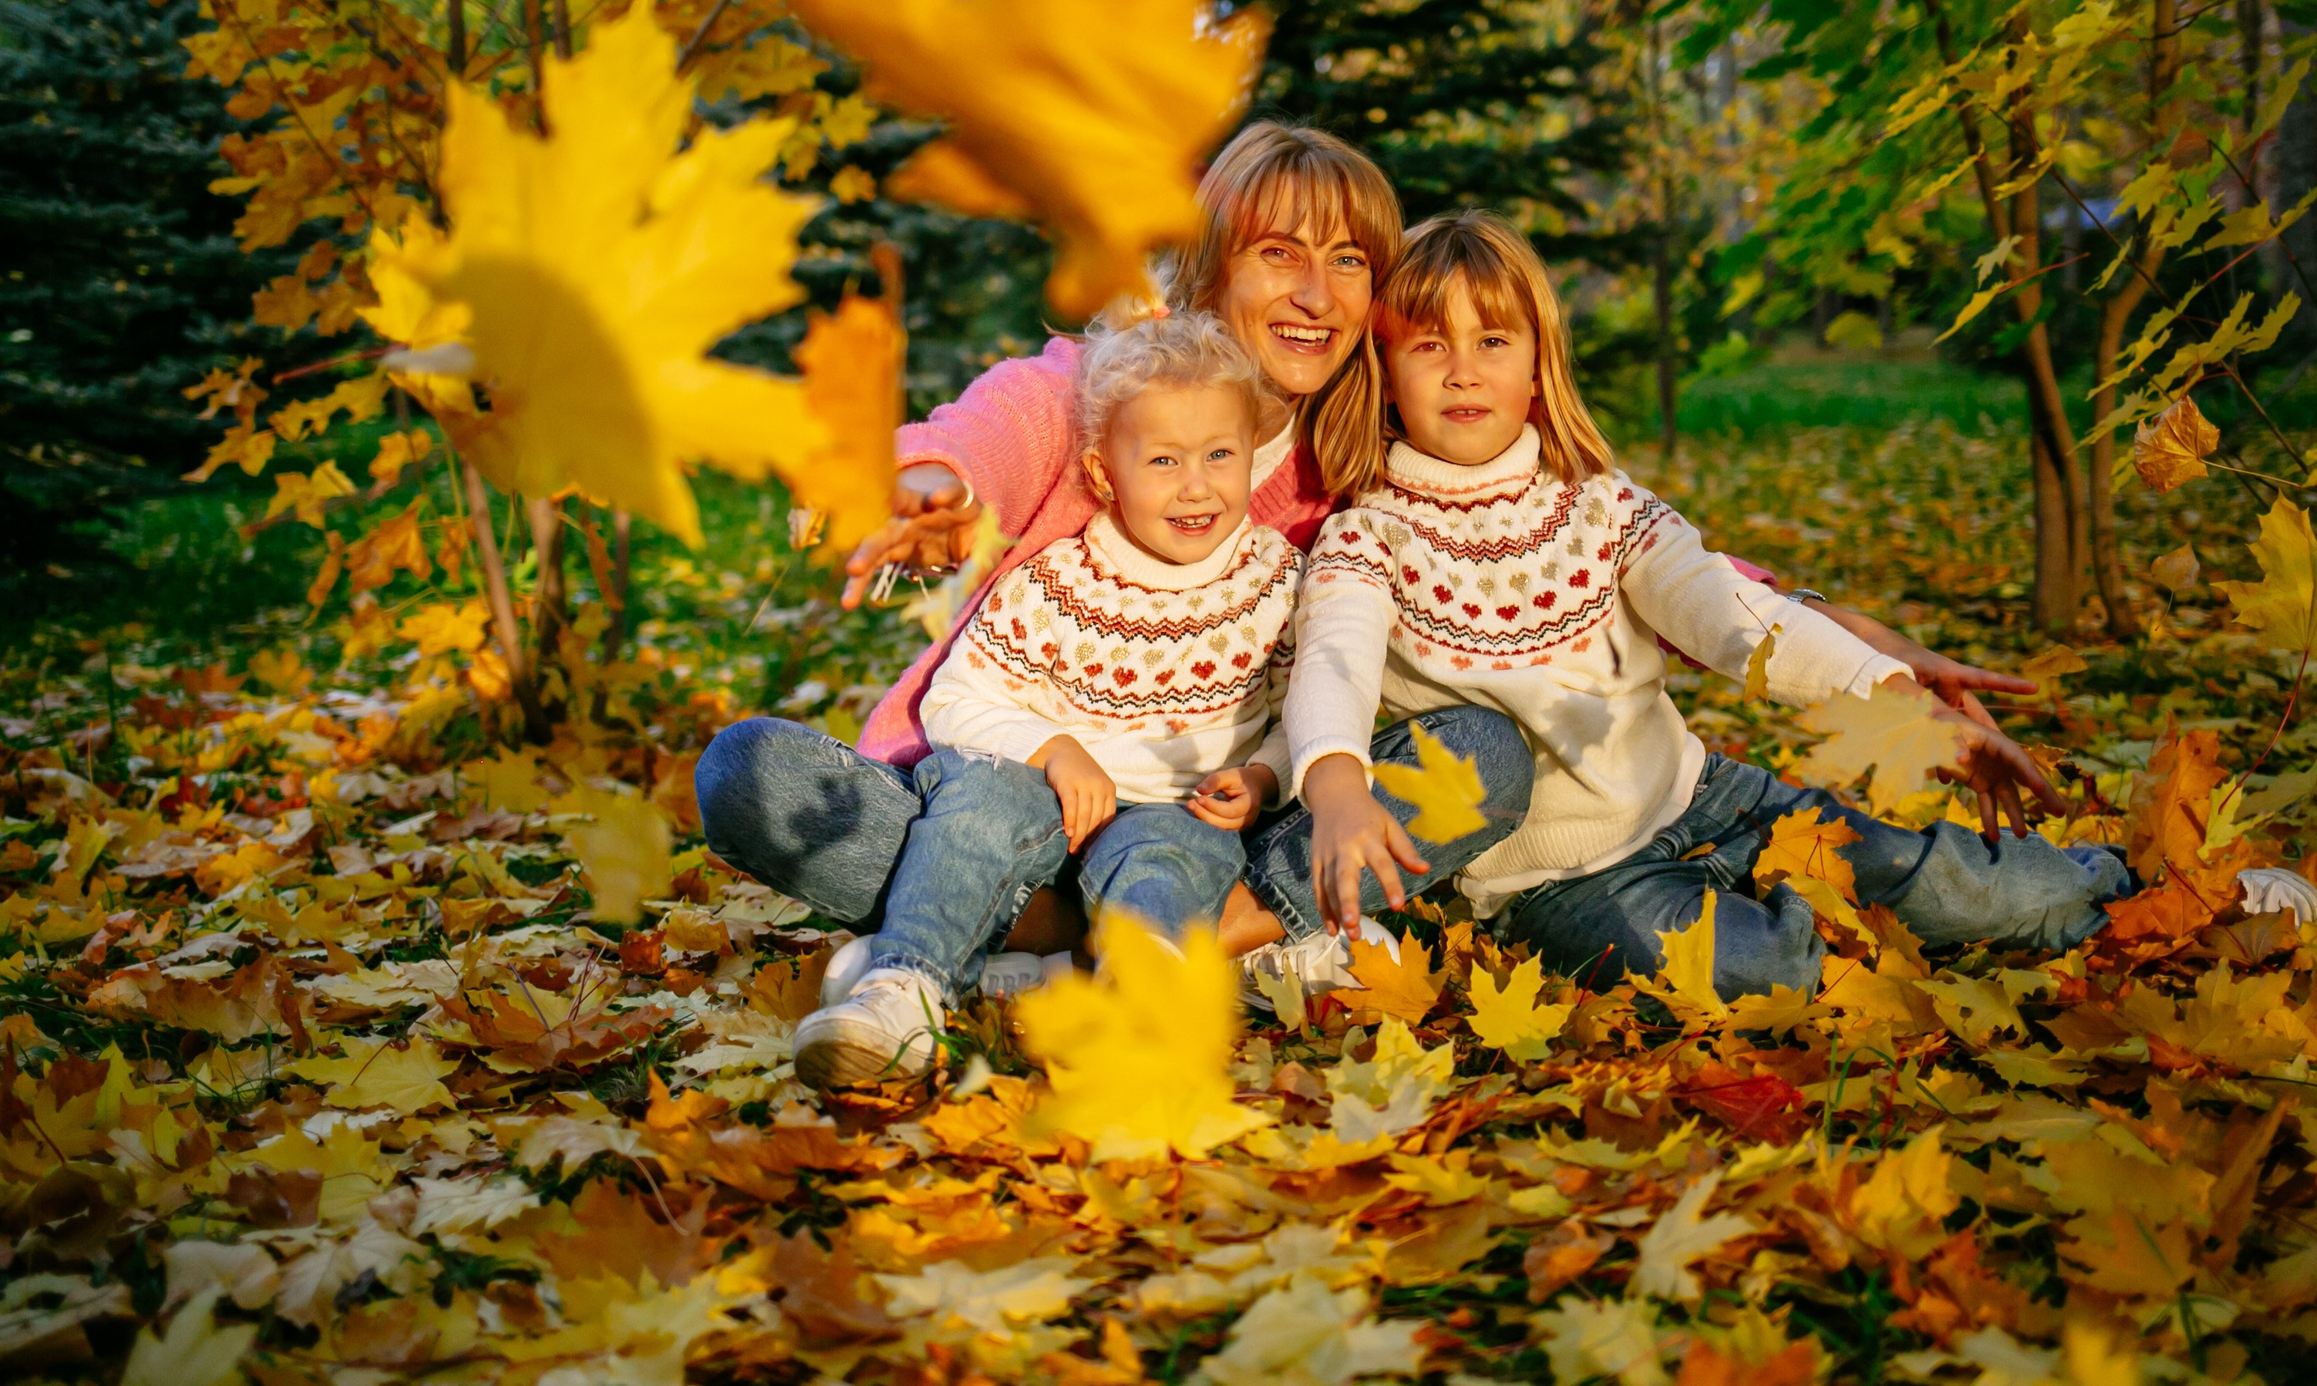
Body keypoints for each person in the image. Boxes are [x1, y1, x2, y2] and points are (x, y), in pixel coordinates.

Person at [696, 123, 2045, 989]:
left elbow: (1609, 547)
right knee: (753, 771)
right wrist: (930, 478)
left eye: (1349, 259)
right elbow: (999, 422)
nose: (1312, 290)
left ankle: (1083, 941)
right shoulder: (1111, 390)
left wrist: (1861, 643)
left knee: (1477, 756)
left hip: (1230, 826)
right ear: (1215, 268)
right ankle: (1075, 933)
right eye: (1278, 251)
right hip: (1023, 803)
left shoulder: (1364, 471)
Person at [1281, 210, 2135, 995]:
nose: (1464, 371)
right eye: (1429, 345)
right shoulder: (1367, 541)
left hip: (1713, 799)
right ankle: (1811, 931)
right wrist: (1339, 786)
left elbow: (1735, 617)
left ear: (1537, 367)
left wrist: (1908, 710)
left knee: (1978, 890)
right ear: (1386, 373)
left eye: (1493, 340)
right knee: (1752, 972)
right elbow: (1334, 666)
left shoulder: (1601, 505)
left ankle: (2116, 887)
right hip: (1567, 882)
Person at [792, 311, 1307, 1086]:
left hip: (1182, 806)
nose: (1196, 485)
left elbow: (1297, 708)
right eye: (1163, 459)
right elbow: (956, 701)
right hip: (1043, 806)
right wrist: (1053, 749)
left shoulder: (1272, 577)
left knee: (1167, 861)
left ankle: (1133, 1006)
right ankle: (904, 989)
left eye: (1220, 455)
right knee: (973, 811)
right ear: (1105, 475)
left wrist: (1264, 777)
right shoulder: (1061, 583)